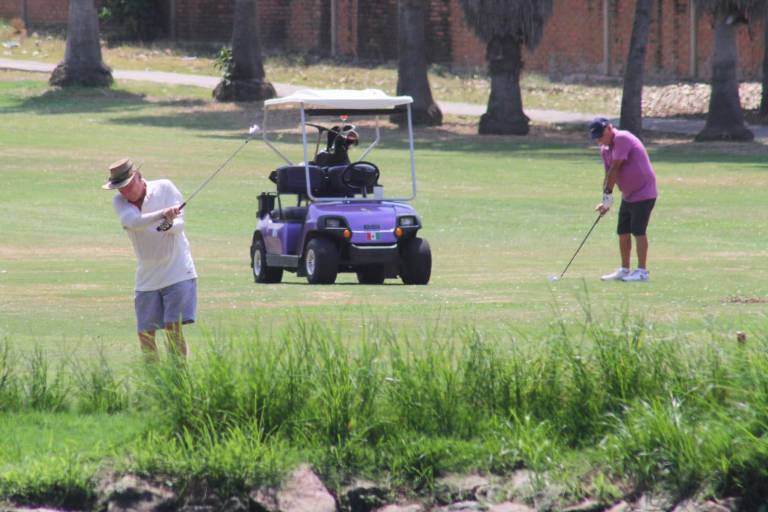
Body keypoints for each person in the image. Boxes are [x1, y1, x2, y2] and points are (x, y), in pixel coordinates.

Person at [102, 158, 197, 360]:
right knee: (145, 334)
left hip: (177, 271)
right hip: (147, 276)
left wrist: (168, 223)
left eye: (127, 186)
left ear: (138, 176)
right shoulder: (119, 202)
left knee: (173, 330)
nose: (125, 192)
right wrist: (163, 214)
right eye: (120, 188)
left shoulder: (164, 187)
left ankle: (178, 381)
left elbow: (179, 226)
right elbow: (133, 222)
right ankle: (153, 382)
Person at [590, 118, 658, 282]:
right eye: (596, 137)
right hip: (628, 195)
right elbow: (608, 175)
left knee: (638, 231)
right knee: (623, 232)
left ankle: (642, 271)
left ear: (609, 129)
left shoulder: (622, 138)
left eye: (601, 135)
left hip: (644, 193)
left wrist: (609, 194)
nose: (599, 140)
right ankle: (625, 269)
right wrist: (606, 201)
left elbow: (616, 167)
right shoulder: (605, 148)